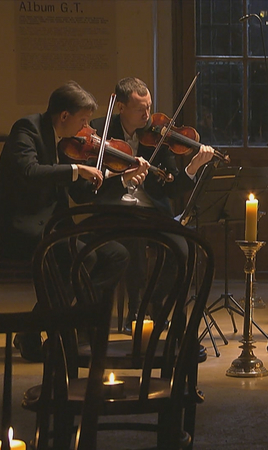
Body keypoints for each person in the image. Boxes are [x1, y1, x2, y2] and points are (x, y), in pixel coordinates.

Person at [0, 81, 146, 361]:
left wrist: (121, 178)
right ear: (65, 117)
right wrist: (74, 169)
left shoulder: (69, 144)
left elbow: (81, 194)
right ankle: (38, 330)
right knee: (84, 259)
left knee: (117, 255)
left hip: (50, 226)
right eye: (83, 120)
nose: (87, 129)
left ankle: (70, 322)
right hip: (15, 228)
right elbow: (29, 172)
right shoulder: (27, 130)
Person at [90, 77, 215, 332]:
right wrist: (123, 179)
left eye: (149, 106)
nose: (148, 115)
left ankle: (157, 304)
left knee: (184, 247)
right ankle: (134, 312)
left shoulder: (158, 135)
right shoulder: (100, 130)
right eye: (140, 109)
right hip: (115, 210)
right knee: (133, 239)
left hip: (153, 212)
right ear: (121, 108)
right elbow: (94, 185)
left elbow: (170, 188)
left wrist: (192, 168)